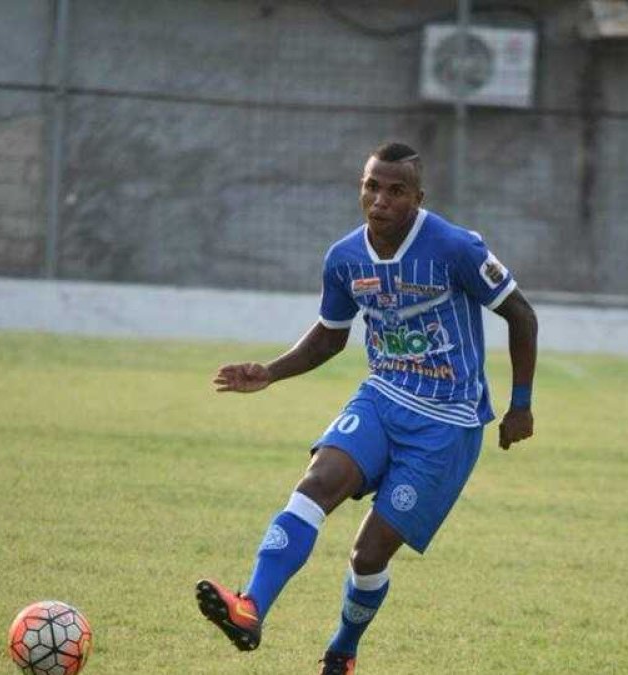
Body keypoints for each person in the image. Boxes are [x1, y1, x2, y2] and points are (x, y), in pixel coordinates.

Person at [197, 142, 539, 674]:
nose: (380, 200)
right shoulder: (345, 258)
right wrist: (271, 371)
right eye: (371, 186)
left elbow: (521, 315)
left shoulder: (455, 248)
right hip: (382, 398)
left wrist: (520, 405)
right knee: (316, 484)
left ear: (417, 198)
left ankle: (343, 649)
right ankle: (251, 607)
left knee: (368, 555)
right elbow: (331, 336)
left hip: (447, 423)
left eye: (395, 191)